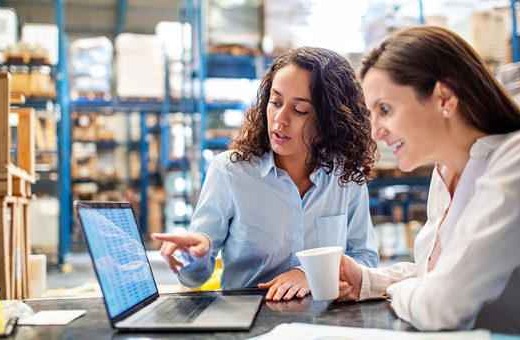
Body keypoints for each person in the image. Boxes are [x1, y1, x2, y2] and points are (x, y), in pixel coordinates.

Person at [336, 25, 520, 336]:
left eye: (385, 109)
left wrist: (398, 291)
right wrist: (367, 281)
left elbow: (440, 305)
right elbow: (439, 273)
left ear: (444, 98)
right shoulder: (444, 173)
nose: (375, 132)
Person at [152, 46, 379, 301]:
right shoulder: (230, 171)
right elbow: (193, 279)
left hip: (325, 318)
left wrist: (309, 273)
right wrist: (198, 255)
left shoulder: (346, 176)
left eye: (299, 110)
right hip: (248, 319)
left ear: (331, 120)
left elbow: (365, 259)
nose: (280, 119)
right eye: (275, 102)